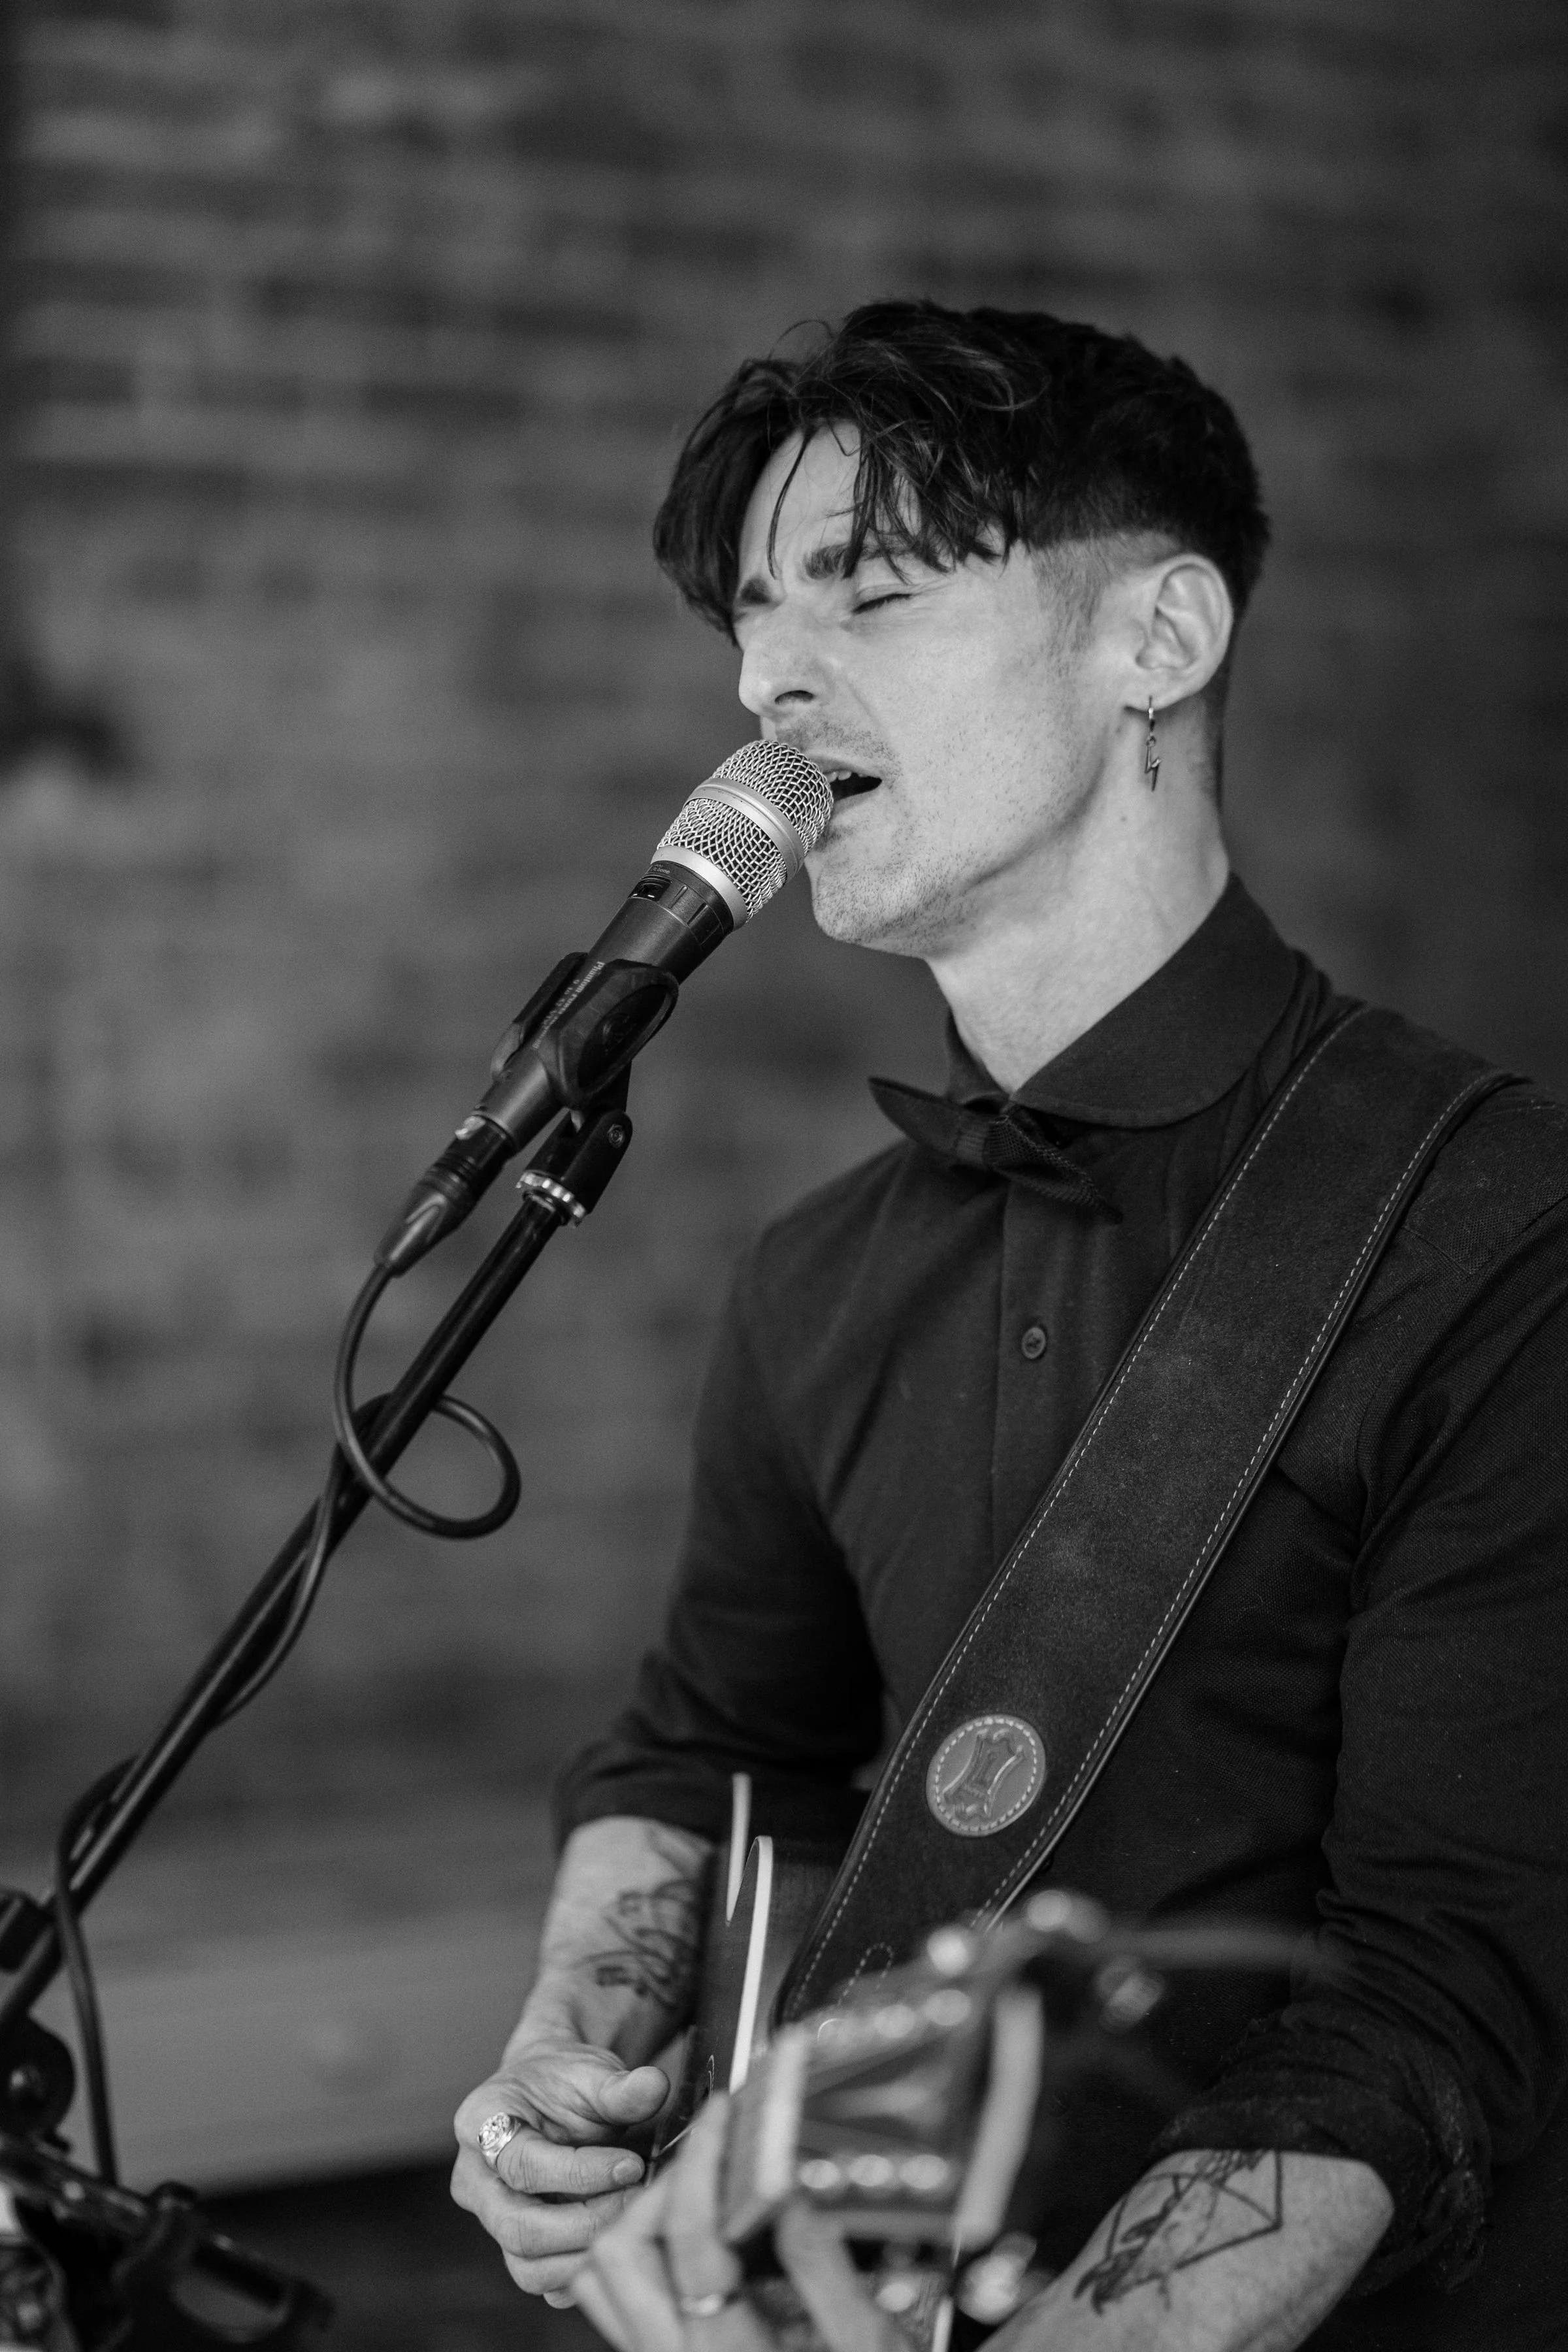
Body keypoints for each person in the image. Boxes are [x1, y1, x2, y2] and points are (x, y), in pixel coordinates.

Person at [450, 302, 1568, 2350]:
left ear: (1159, 642)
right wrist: (572, 2050)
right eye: (752, 626)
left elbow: (1449, 1986)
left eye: (870, 594)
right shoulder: (818, 1276)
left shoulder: (1498, 1232)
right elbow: (714, 1753)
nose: (774, 678)